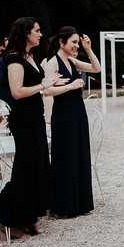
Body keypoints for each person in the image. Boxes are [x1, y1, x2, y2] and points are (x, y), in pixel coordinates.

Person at [0, 17, 67, 240]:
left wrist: (50, 84)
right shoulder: (15, 59)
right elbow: (17, 92)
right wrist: (43, 85)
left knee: (38, 166)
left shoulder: (31, 57)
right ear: (26, 33)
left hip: (35, 117)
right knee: (24, 168)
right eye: (37, 30)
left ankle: (28, 216)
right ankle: (8, 218)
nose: (40, 34)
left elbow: (36, 88)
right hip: (23, 120)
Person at [44, 26, 101, 217]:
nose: (76, 45)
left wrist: (88, 49)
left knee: (79, 154)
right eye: (74, 42)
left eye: (78, 42)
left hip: (78, 112)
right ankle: (64, 206)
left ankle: (81, 203)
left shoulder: (72, 60)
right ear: (62, 43)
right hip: (63, 114)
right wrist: (71, 86)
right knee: (65, 157)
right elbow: (47, 90)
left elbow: (97, 68)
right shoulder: (52, 63)